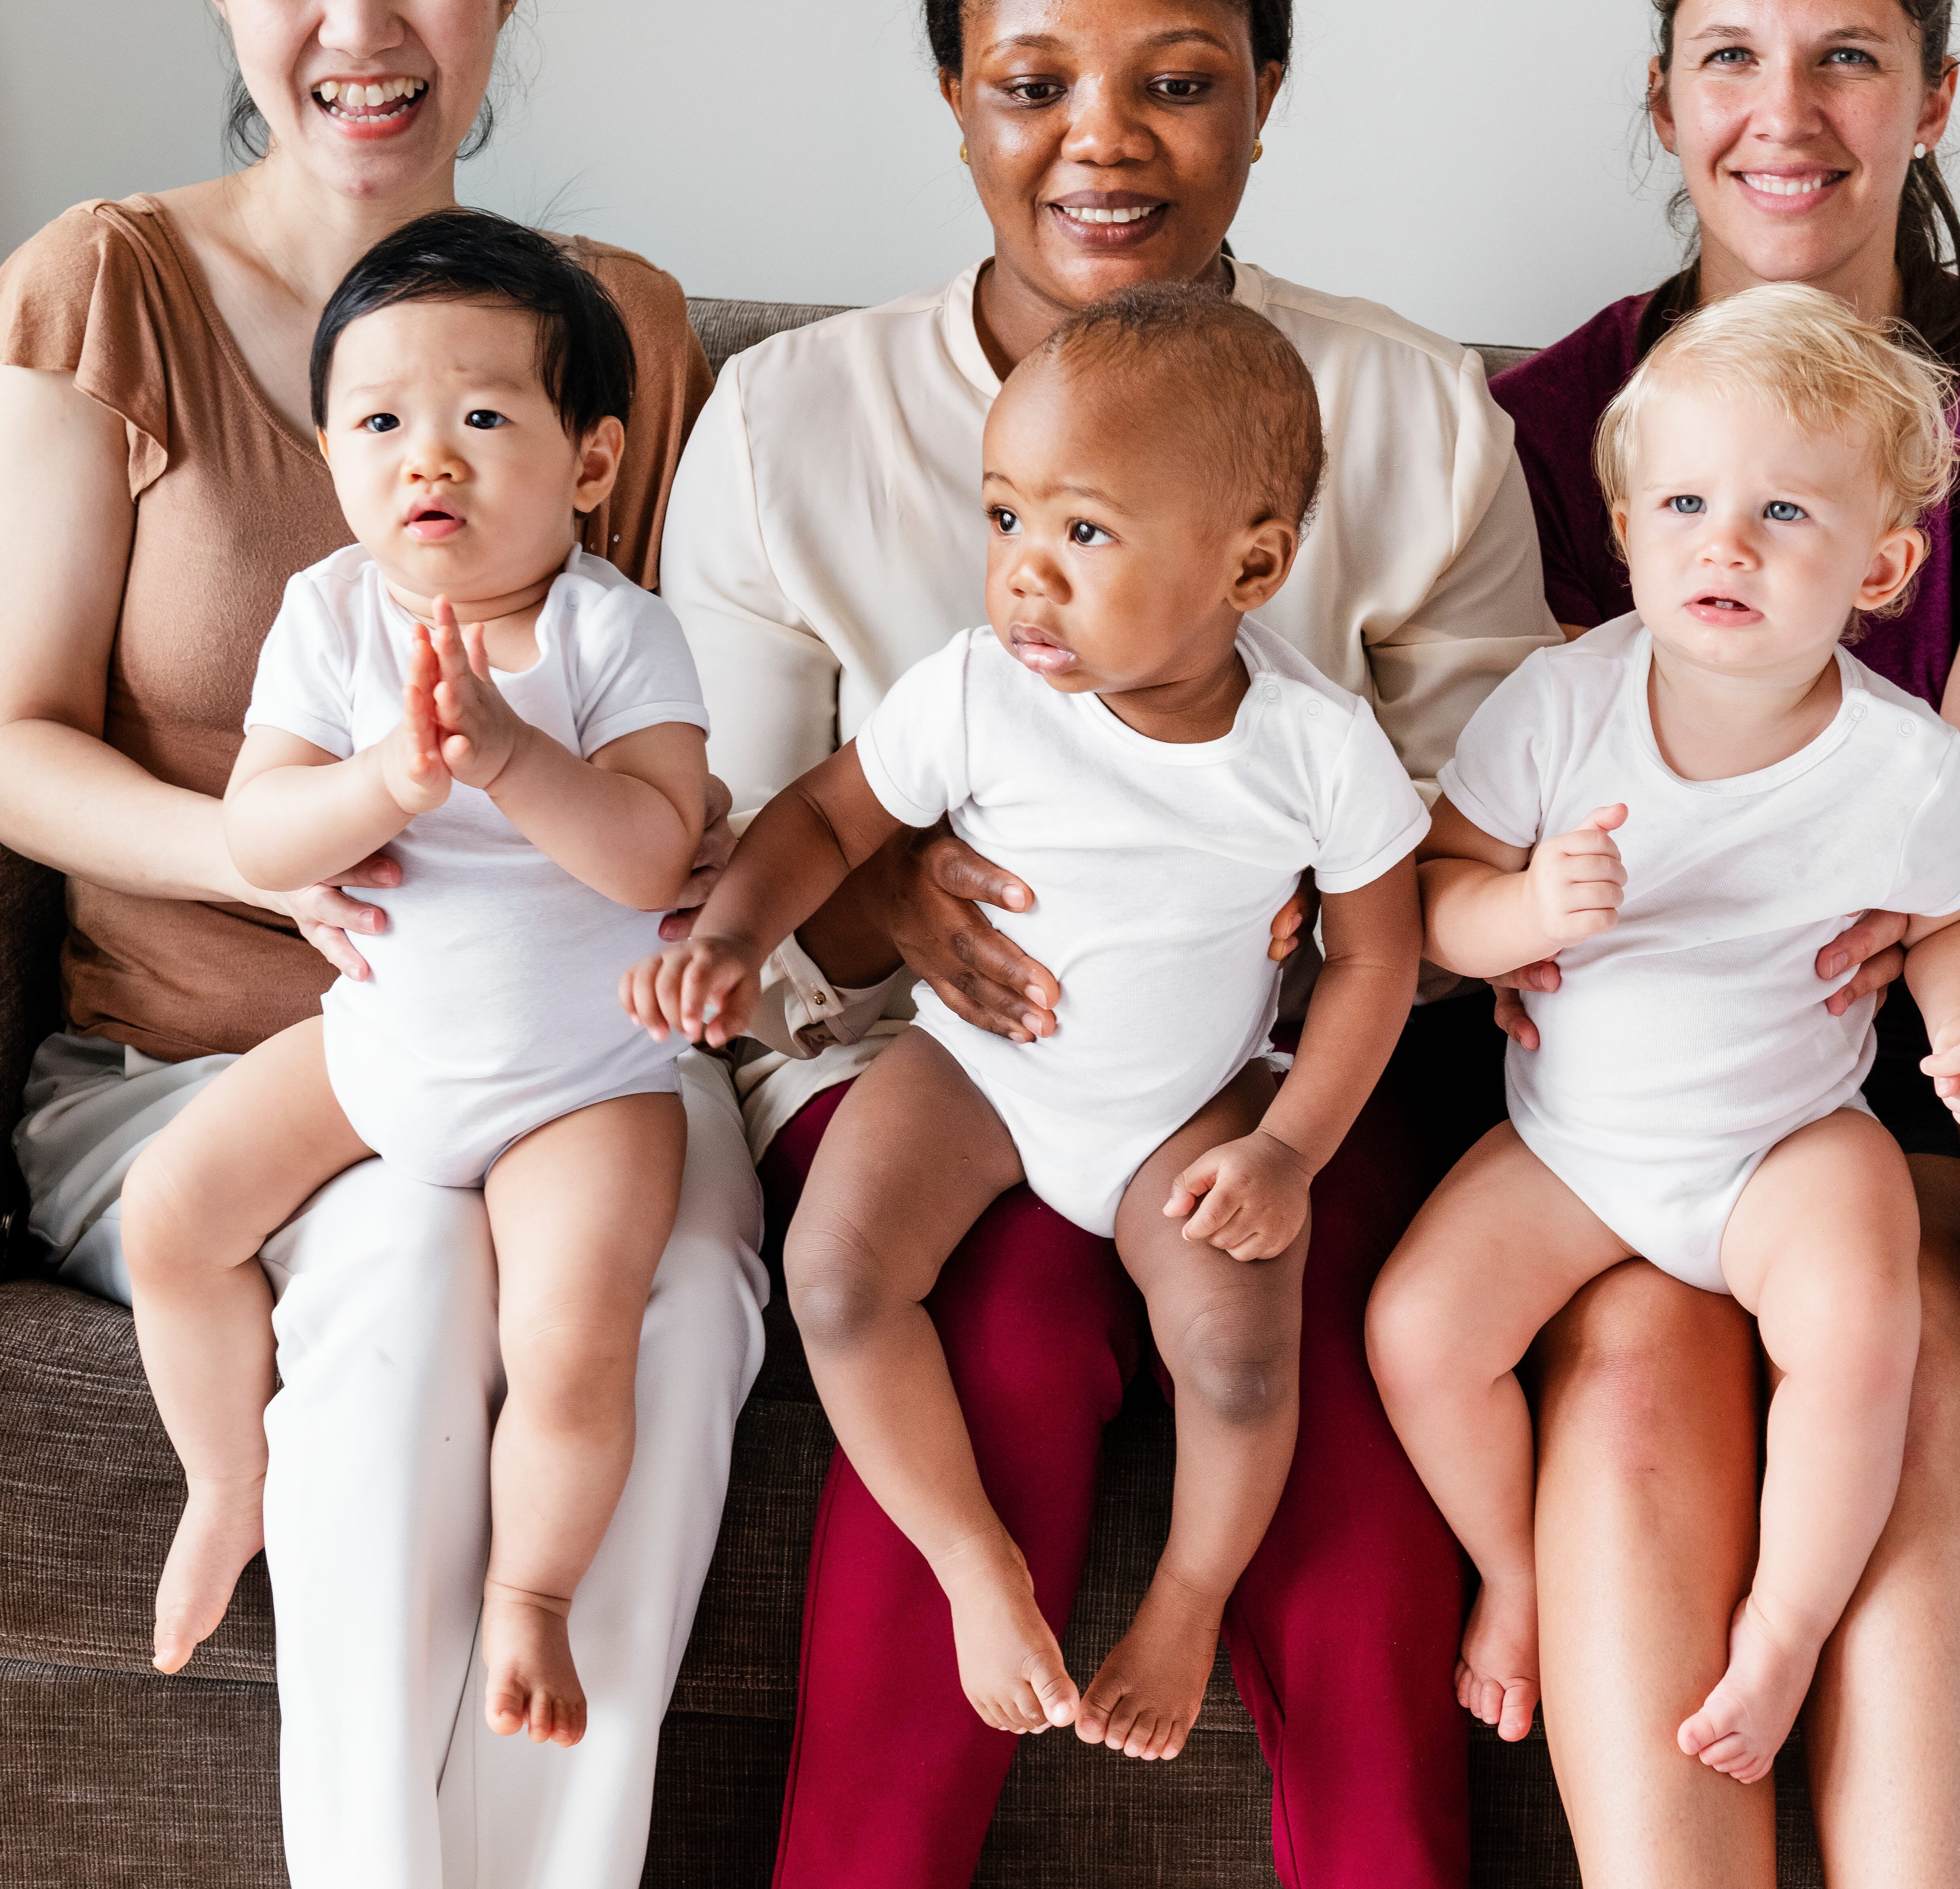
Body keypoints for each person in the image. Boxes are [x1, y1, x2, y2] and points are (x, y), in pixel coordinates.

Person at [657, 2, 1555, 1881]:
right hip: (924, 1049)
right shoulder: (791, 414)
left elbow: (1466, 853)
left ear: (1263, 99)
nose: (1103, 139)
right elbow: (747, 819)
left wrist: (1301, 1042)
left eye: (1175, 78)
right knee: (990, 1321)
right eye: (1031, 81)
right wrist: (892, 889)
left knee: (1307, 1342)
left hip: (1252, 1052)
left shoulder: (1399, 413)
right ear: (953, 101)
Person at [0, 6, 755, 1883]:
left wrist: (688, 876)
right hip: (231, 1052)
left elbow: (677, 750)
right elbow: (11, 741)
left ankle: (549, 1770)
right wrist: (293, 862)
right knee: (404, 1296)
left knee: (661, 1312)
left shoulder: (619, 328)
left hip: (582, 1032)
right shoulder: (112, 285)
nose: (361, 24)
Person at [1485, 0, 1960, 1879]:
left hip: (1881, 1095)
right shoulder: (1561, 427)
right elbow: (1513, 803)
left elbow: (1925, 882)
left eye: (1845, 56)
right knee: (1639, 1366)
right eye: (1726, 54)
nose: (1780, 112)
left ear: (1932, 98)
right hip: (1620, 1101)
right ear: (1661, 97)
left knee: (1910, 1365)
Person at [640, 284, 1426, 1761]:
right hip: (980, 1069)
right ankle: (971, 1563)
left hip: (1182, 1108)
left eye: (1085, 534)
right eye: (1006, 520)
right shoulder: (977, 691)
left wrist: (1289, 1150)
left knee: (1247, 1353)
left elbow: (1381, 959)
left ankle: (1185, 1605)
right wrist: (736, 930)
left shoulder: (1317, 750)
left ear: (1250, 562)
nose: (1025, 579)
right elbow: (823, 813)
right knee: (834, 1275)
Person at [1371, 284, 1960, 1786]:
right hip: (1576, 1148)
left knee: (1867, 1335)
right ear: (1624, 529)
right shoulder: (1560, 704)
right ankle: (1516, 1566)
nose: (1724, 543)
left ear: (1882, 565)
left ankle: (1786, 1625)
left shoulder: (1900, 763)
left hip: (1786, 1143)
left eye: (1784, 510)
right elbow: (1431, 896)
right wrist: (1524, 907)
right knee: (1418, 1334)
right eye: (1685, 501)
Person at [123, 211, 714, 1755]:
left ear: (589, 464)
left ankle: (531, 1592)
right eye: (383, 423)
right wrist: (385, 777)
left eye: (482, 418)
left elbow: (657, 856)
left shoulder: (616, 636)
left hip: (579, 1088)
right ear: (332, 461)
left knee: (575, 1335)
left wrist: (511, 756)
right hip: (376, 1049)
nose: (428, 460)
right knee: (170, 1213)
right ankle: (226, 1480)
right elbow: (262, 828)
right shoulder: (329, 617)